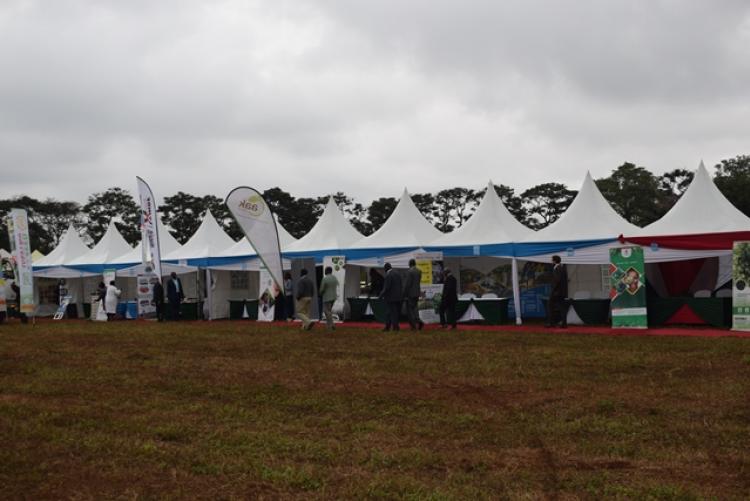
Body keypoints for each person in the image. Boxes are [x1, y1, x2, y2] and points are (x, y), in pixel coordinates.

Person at [379, 262, 403, 331]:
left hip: (391, 298)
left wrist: (380, 295)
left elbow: (386, 287)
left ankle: (394, 327)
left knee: (390, 313)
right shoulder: (397, 273)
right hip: (398, 297)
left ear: (386, 268)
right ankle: (389, 327)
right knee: (394, 313)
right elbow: (401, 285)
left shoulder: (388, 275)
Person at [546, 255, 568, 328]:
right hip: (561, 292)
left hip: (557, 292)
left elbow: (556, 281)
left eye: (552, 260)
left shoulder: (557, 268)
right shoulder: (562, 267)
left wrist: (553, 291)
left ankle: (551, 323)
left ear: (554, 261)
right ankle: (563, 324)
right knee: (562, 308)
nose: (551, 261)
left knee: (550, 306)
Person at [404, 258, 424, 331]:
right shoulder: (419, 271)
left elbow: (407, 284)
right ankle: (419, 321)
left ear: (410, 264)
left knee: (410, 310)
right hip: (417, 293)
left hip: (410, 294)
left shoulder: (409, 272)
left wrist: (404, 293)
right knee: (415, 309)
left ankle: (413, 326)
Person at [319, 266, 339, 331]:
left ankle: (332, 324)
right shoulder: (334, 278)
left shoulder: (325, 279)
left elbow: (322, 289)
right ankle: (328, 326)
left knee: (326, 311)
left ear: (326, 271)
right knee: (329, 311)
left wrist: (320, 293)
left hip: (327, 297)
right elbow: (337, 284)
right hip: (334, 297)